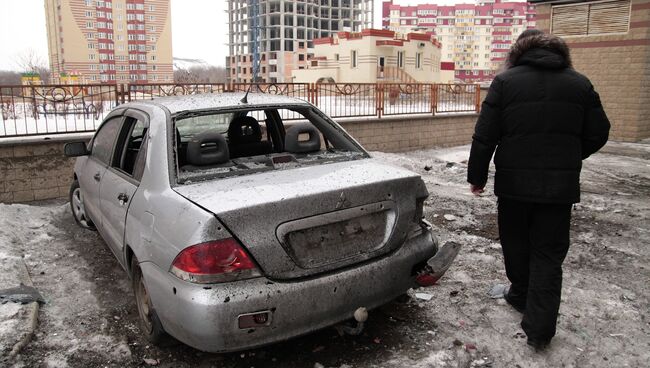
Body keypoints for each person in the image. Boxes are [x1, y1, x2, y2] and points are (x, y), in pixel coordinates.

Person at [467, 29, 610, 350]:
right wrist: (571, 154)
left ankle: (520, 293)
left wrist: (477, 176)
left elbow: (485, 135)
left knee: (515, 242)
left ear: (518, 52)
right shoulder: (580, 83)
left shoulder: (505, 83)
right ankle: (540, 329)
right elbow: (600, 131)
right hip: (559, 189)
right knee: (548, 254)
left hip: (514, 186)